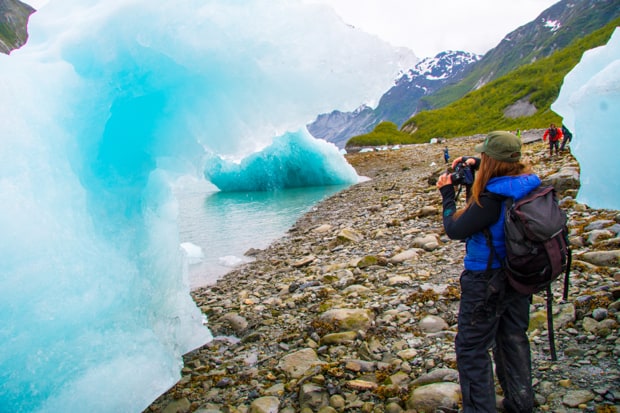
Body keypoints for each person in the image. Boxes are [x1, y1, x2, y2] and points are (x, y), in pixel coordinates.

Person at [436, 131, 539, 413]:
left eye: (484, 157)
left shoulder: (490, 198)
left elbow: (455, 229)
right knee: (512, 337)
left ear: (491, 161)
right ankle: (520, 403)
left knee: (471, 349)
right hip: (519, 274)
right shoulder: (524, 184)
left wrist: (447, 196)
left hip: (486, 280)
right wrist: (474, 165)